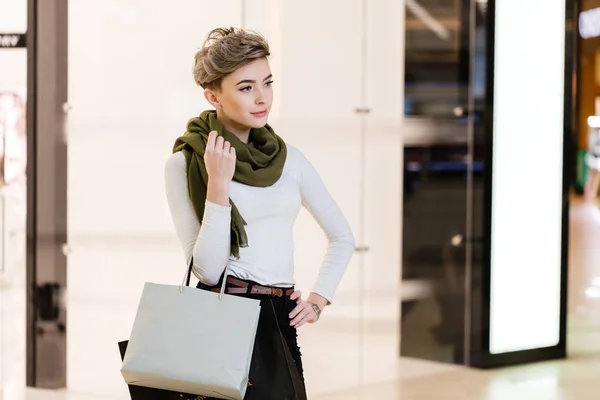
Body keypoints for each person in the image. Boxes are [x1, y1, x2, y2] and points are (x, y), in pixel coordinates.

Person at [164, 27, 355, 399]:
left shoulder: (290, 161)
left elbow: (342, 237)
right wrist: (218, 185)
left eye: (267, 83)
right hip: (222, 314)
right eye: (246, 87)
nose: (262, 97)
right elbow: (207, 269)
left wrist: (318, 300)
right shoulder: (184, 163)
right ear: (212, 95)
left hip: (280, 317)